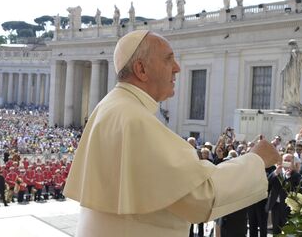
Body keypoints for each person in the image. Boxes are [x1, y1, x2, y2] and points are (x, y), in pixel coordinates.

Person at [64, 30, 280, 236]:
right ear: (141, 70)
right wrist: (256, 160)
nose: (177, 68)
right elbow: (199, 198)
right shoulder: (134, 119)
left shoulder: (113, 107)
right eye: (168, 59)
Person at [280, 39, 302, 111]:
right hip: (297, 73)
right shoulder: (301, 53)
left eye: (290, 46)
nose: (290, 48)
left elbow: (291, 61)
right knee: (295, 88)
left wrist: (284, 69)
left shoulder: (293, 51)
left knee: (290, 86)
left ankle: (291, 102)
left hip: (291, 72)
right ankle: (294, 101)